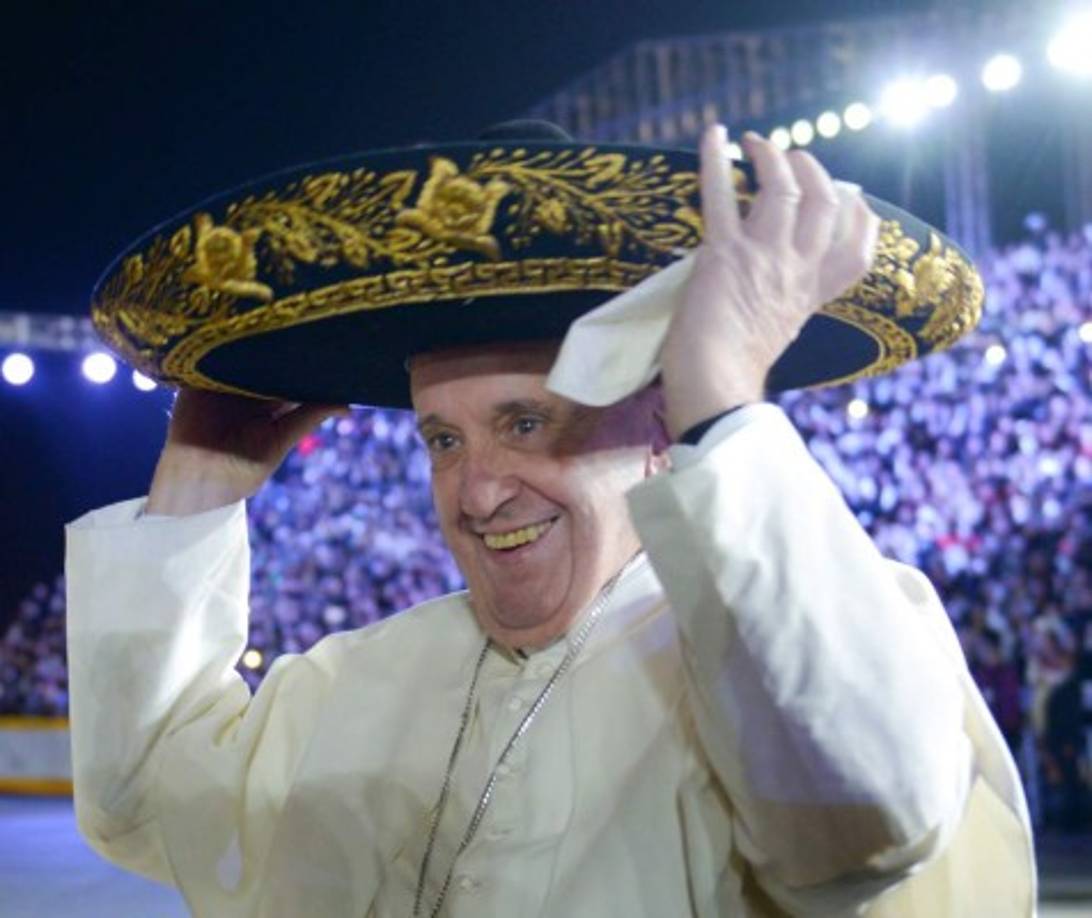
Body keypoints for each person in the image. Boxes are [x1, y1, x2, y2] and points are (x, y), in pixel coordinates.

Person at [66, 125, 1035, 916]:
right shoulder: (358, 677)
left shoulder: (830, 640)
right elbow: (148, 807)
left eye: (527, 424)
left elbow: (867, 816)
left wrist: (728, 400)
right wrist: (201, 477)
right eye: (443, 441)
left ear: (662, 428)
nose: (477, 494)